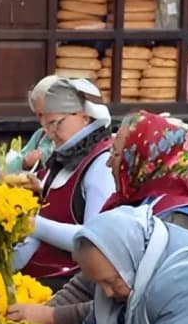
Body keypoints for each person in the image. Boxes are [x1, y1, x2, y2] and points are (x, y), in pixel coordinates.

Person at [8, 110, 188, 324]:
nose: (109, 162)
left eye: (116, 154)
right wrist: (43, 313)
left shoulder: (176, 218)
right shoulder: (149, 187)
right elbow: (98, 271)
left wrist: (53, 318)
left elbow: (139, 304)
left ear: (141, 158)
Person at [12, 76, 114, 286]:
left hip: (69, 286)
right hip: (35, 277)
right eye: (44, 126)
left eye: (55, 123)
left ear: (85, 116)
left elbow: (94, 238)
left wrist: (32, 224)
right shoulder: (66, 154)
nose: (49, 134)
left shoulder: (101, 163)